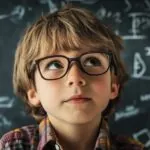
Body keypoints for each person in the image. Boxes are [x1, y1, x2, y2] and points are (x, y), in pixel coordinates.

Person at [0, 5, 144, 150]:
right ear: (33, 92)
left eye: (92, 61)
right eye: (55, 64)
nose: (75, 78)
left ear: (114, 86)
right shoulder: (12, 146)